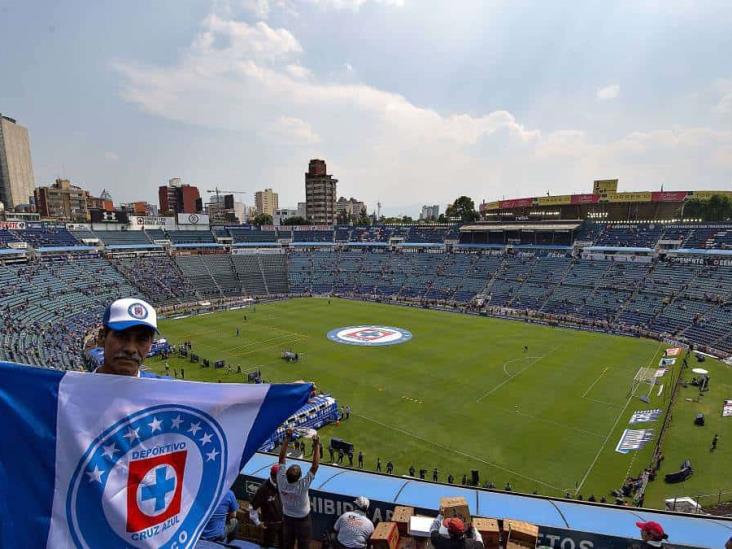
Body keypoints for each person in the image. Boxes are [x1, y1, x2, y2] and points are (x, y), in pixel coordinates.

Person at [94, 298, 160, 378]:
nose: (131, 349)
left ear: (151, 344)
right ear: (102, 337)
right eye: (121, 337)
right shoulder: (76, 389)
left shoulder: (169, 389)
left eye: (142, 339)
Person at [277, 428, 320, 549]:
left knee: (287, 544)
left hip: (287, 518)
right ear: (300, 477)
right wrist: (316, 445)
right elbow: (315, 465)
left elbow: (281, 459)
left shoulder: (280, 480)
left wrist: (287, 438)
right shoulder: (302, 485)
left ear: (286, 474)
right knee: (304, 545)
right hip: (303, 520)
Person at [250, 465, 284, 548]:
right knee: (267, 546)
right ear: (273, 476)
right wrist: (258, 523)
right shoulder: (263, 489)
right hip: (270, 525)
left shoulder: (282, 484)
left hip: (284, 523)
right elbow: (252, 507)